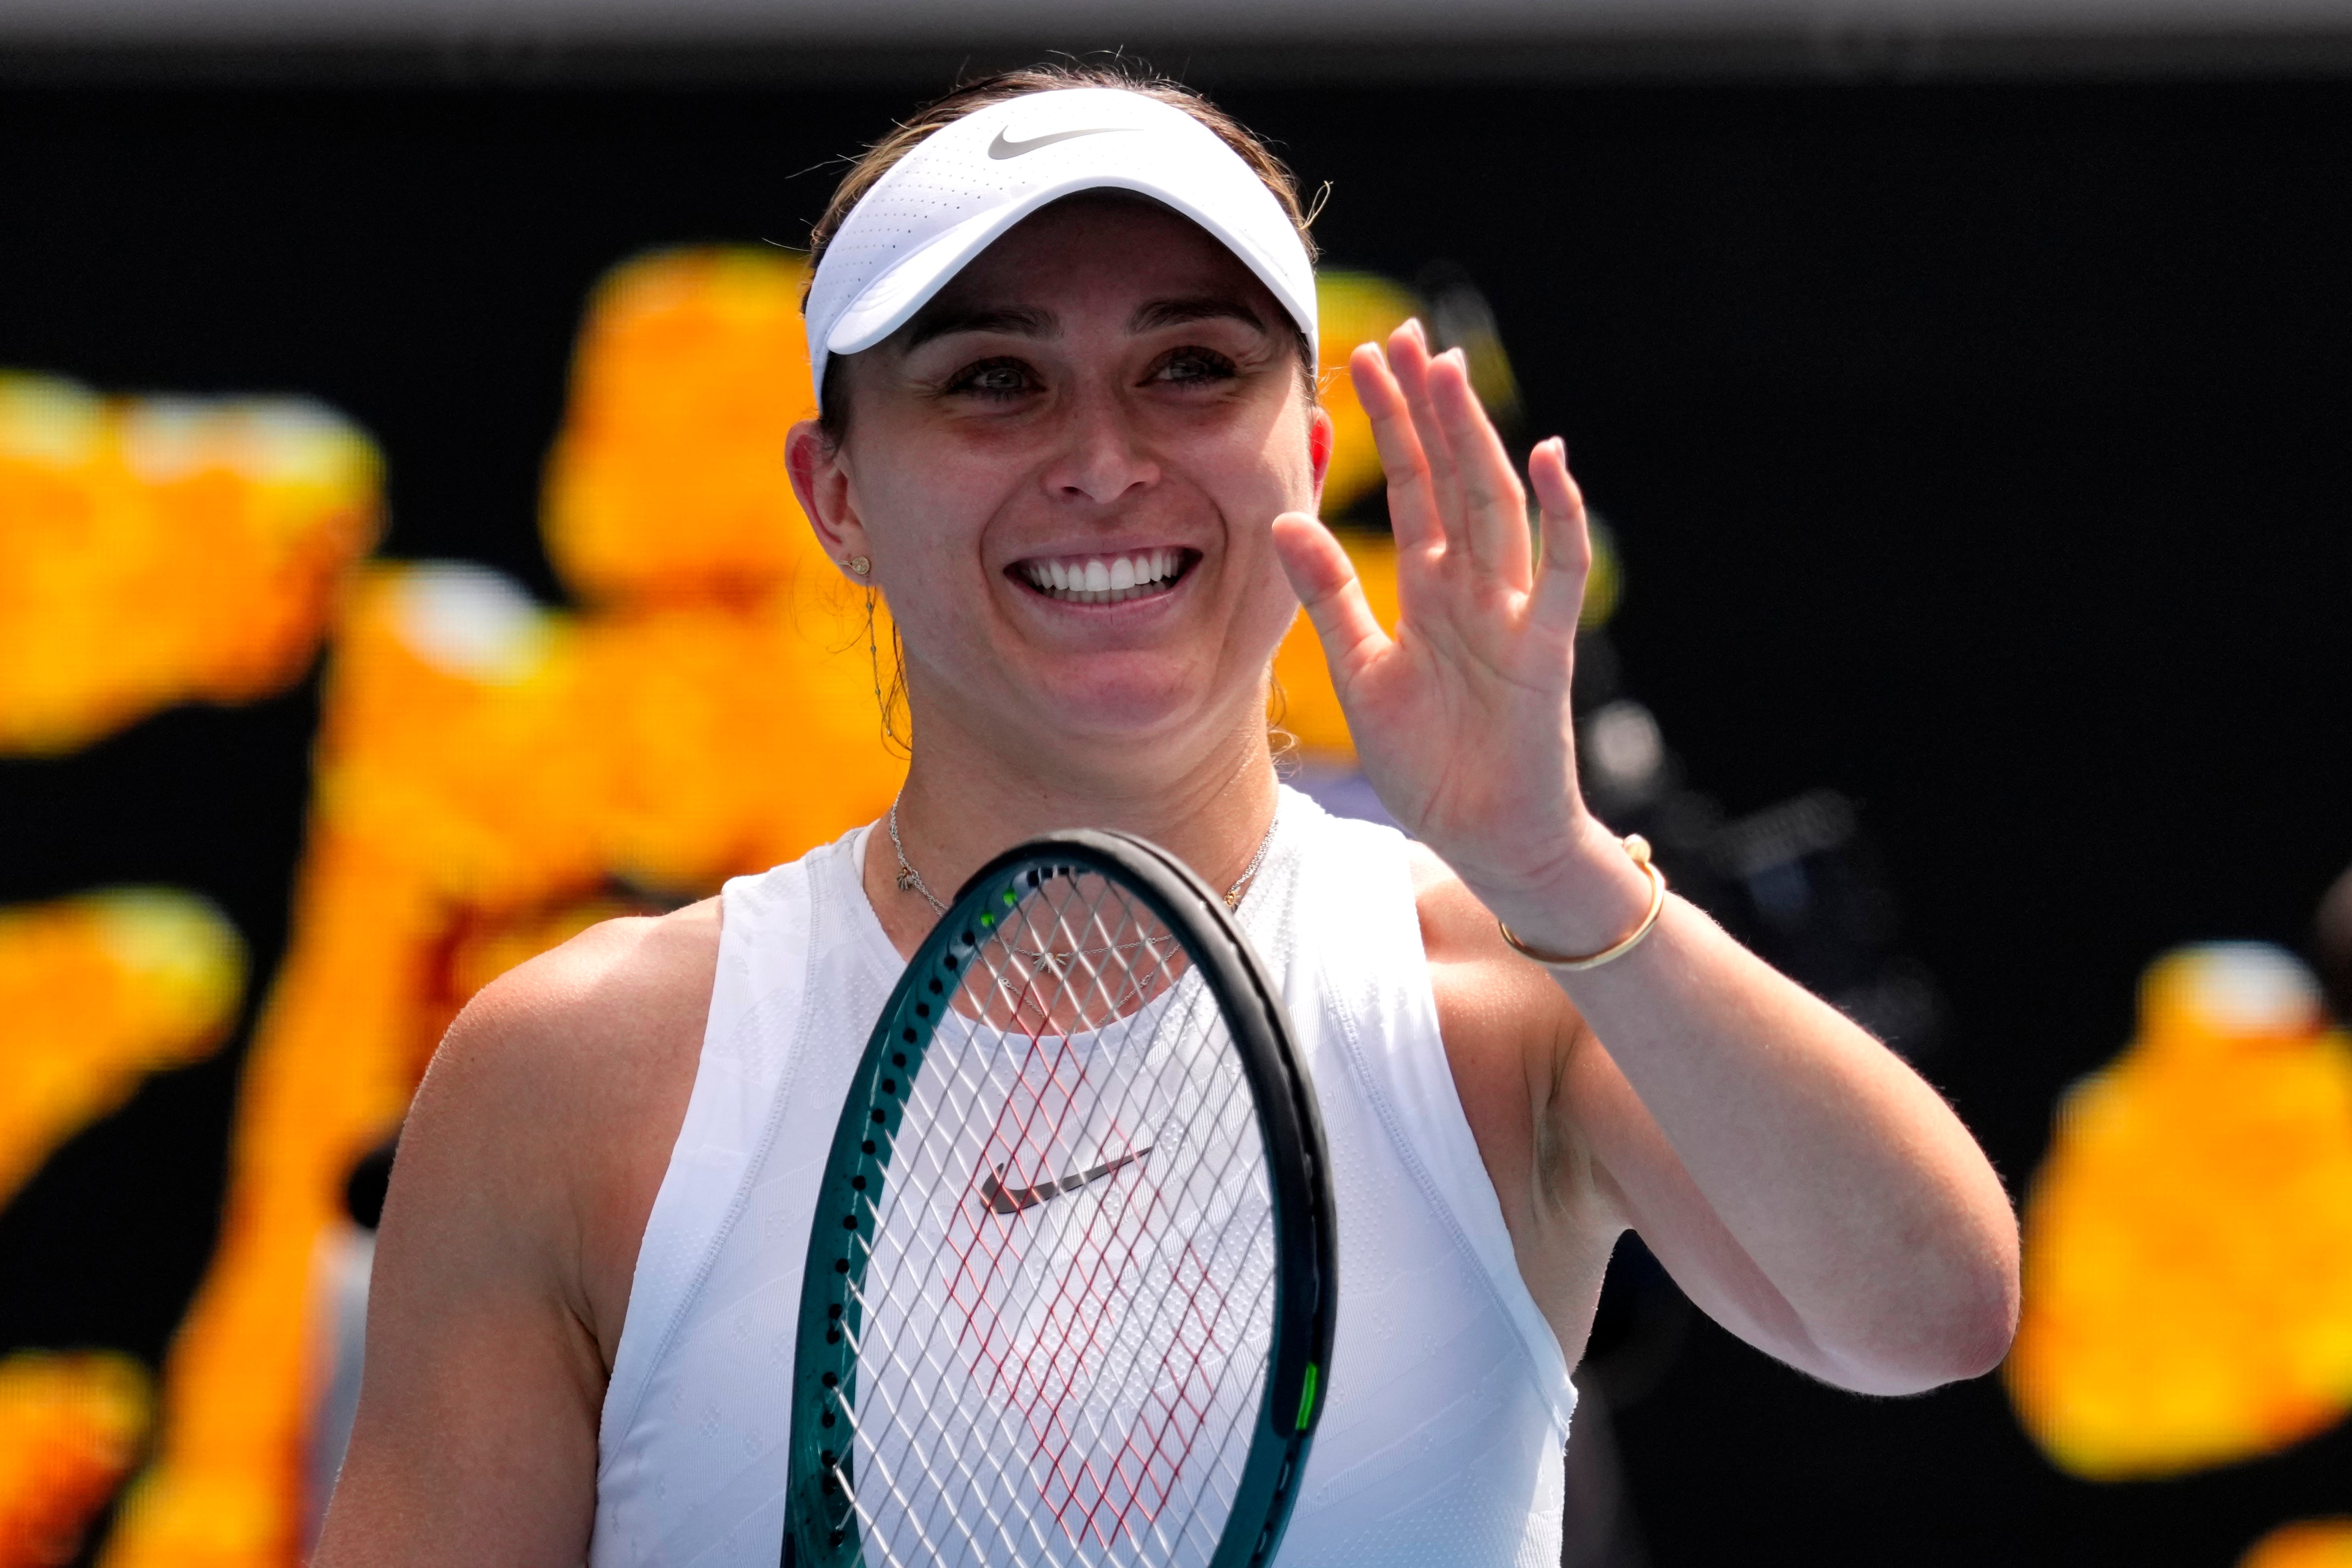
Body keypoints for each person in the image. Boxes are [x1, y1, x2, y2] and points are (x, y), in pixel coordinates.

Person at [315, 62, 2019, 1567]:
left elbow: (1927, 1315)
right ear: (836, 495)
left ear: (1310, 442)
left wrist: (1556, 868)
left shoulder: (1516, 984)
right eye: (992, 379)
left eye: (1191, 366)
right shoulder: (571, 1067)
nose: (1106, 460)